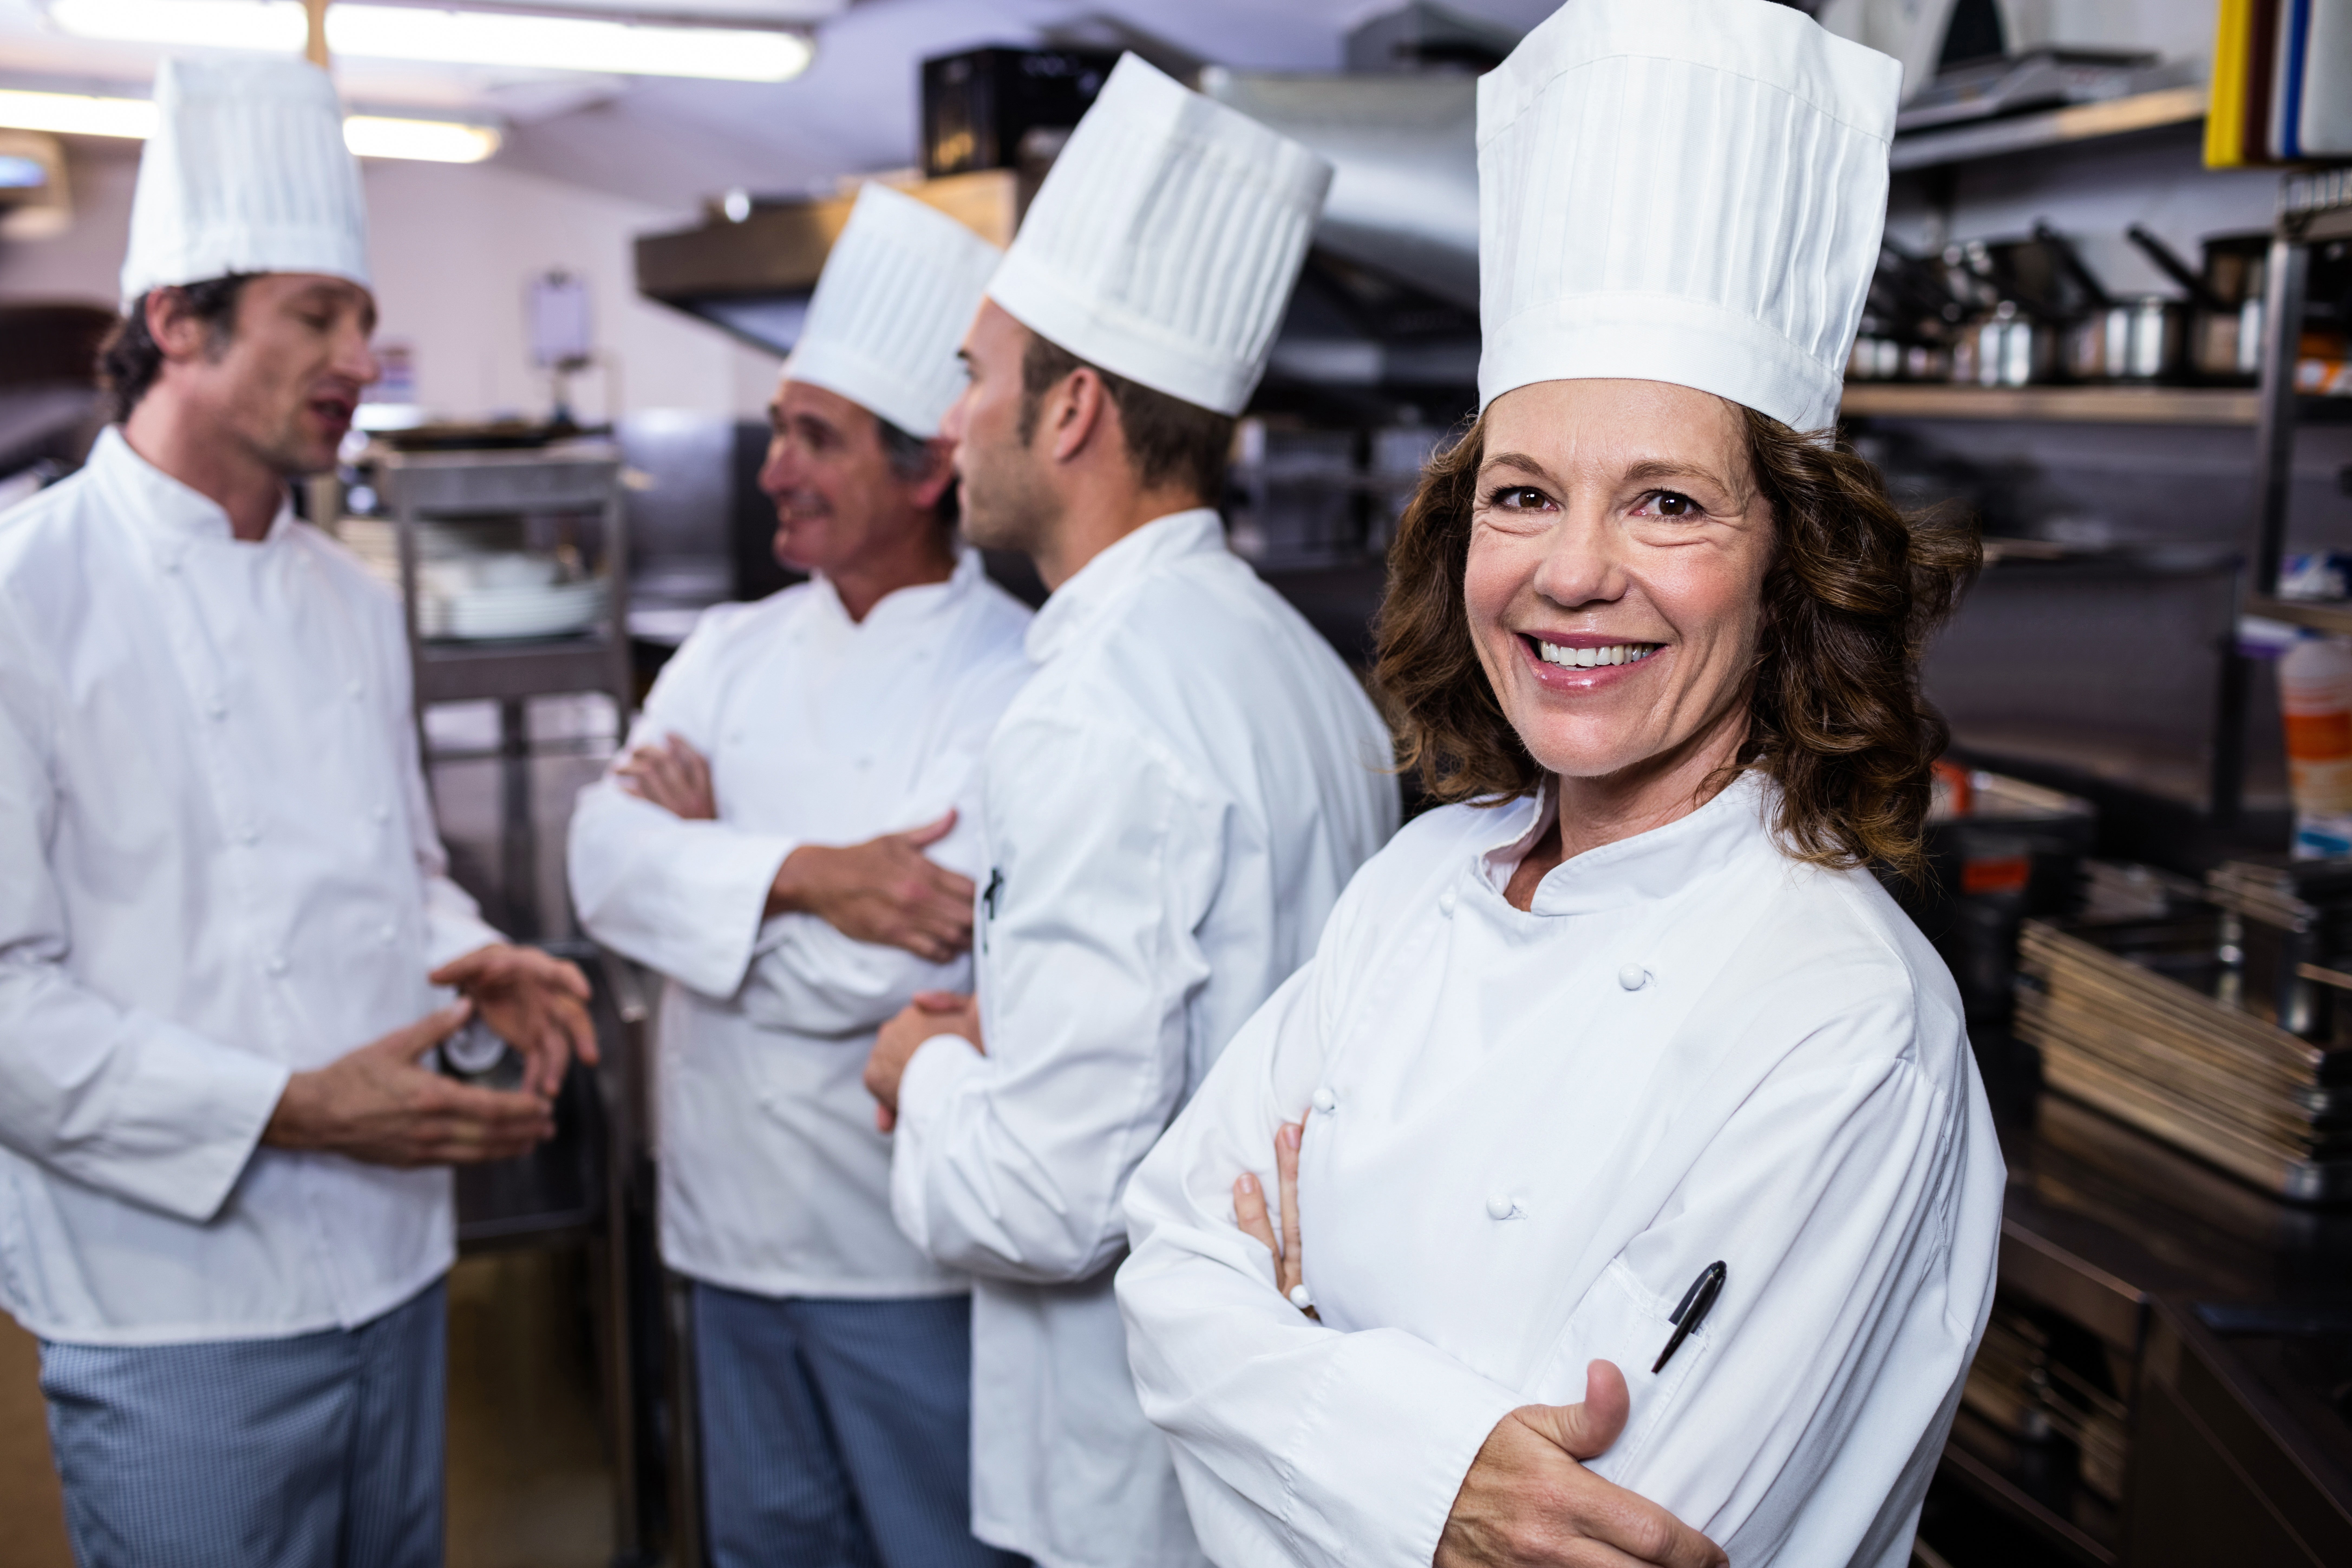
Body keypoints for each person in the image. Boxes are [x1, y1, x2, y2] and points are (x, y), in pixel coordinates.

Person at [1115, 4, 2004, 1567]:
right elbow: (1163, 1274)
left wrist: (1297, 1344)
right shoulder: (1419, 883)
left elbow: (1621, 1545)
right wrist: (1440, 1470)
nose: (1572, 574)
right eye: (1523, 496)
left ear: (1794, 566)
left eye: (1666, 503)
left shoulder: (1843, 1022)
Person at [0, 55, 593, 1568]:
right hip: (169, 1304)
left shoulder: (347, 596)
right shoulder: (25, 595)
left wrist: (475, 955)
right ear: (176, 325)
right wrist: (288, 1107)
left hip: (394, 1270)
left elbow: (395, 871)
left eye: (364, 319)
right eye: (315, 315)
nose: (359, 357)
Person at [855, 54, 1401, 1568]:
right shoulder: (1298, 669)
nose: (952, 422)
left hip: (1133, 1471)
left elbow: (1053, 1194)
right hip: (1281, 1454)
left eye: (975, 378)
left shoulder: (1093, 712)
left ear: (1072, 408)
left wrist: (925, 1069)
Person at [567, 182, 1030, 1568]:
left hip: (899, 1253)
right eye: (777, 428)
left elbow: (904, 962)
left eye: (813, 438)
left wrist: (702, 881)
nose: (773, 466)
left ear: (926, 467)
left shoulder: (1009, 675)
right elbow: (599, 859)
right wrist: (814, 872)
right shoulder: (724, 645)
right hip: (719, 1233)